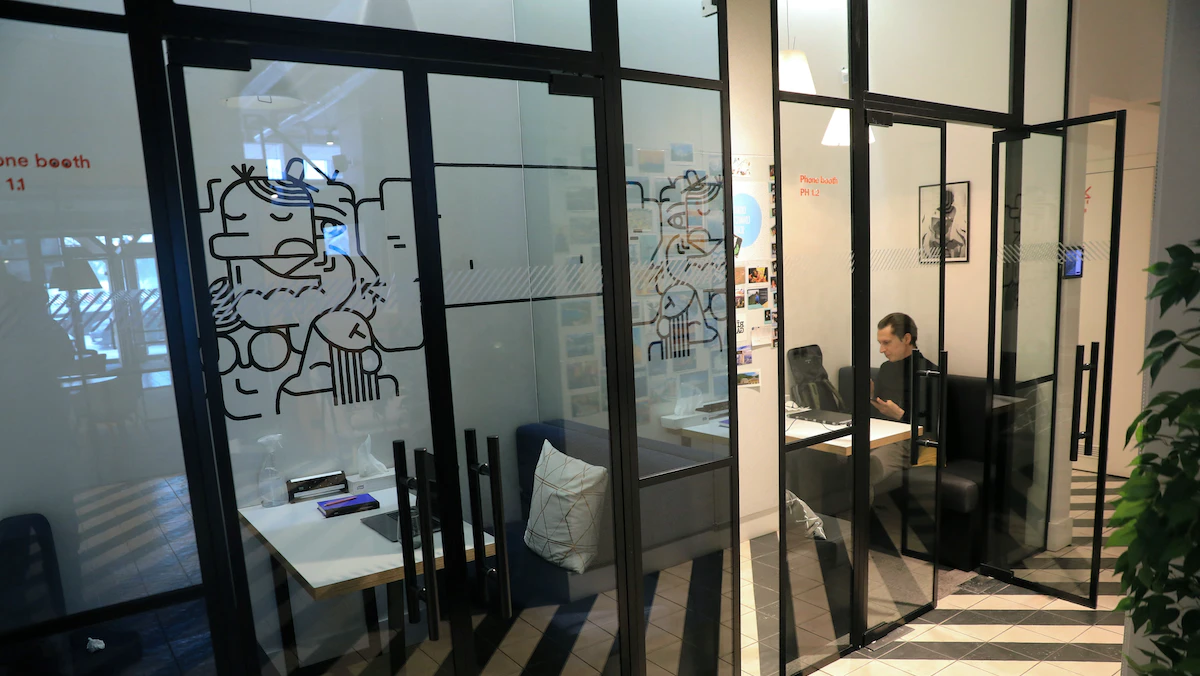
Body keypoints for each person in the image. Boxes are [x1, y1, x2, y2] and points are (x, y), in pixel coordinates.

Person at [868, 312, 935, 495]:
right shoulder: (886, 368)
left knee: (867, 467)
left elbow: (931, 426)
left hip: (905, 441)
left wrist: (901, 415)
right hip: (879, 433)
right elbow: (877, 412)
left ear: (906, 339)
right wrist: (870, 396)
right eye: (880, 343)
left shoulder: (928, 373)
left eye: (886, 343)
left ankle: (862, 514)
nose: (881, 350)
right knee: (832, 459)